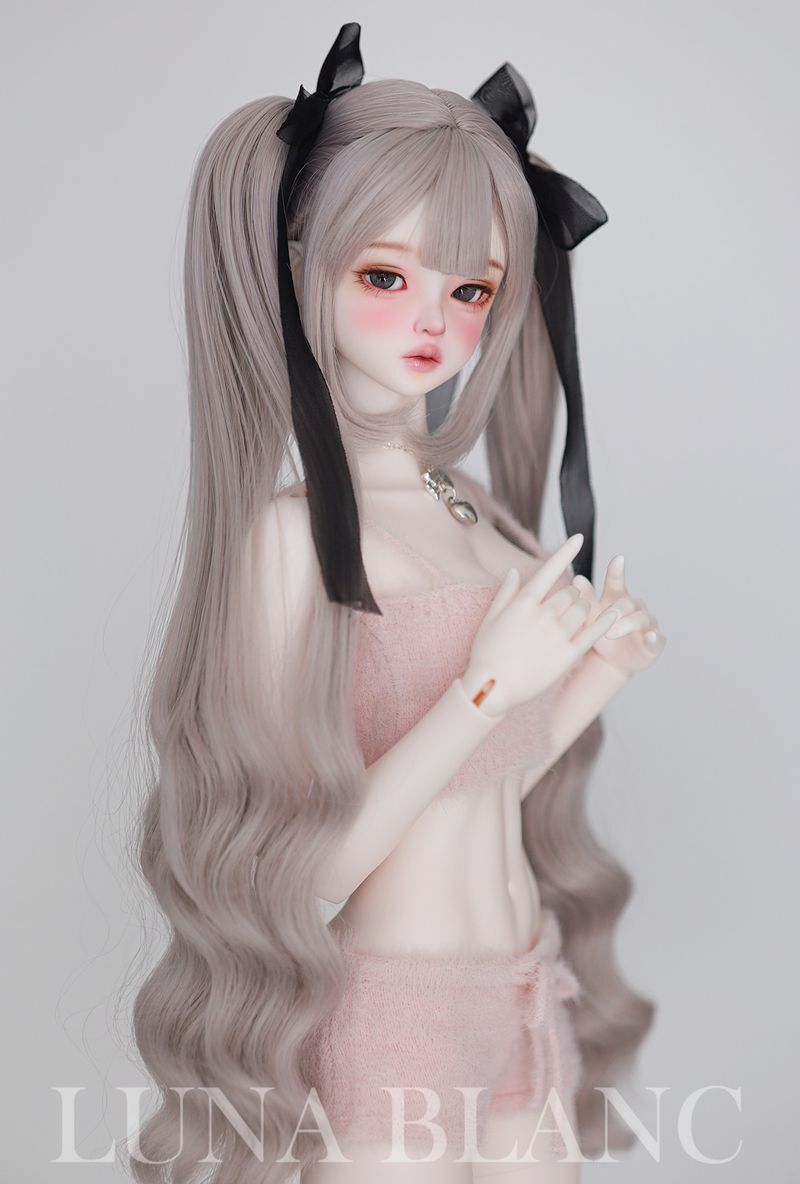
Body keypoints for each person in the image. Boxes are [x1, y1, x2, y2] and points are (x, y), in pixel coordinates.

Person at [127, 23, 665, 1184]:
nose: (432, 319)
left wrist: (591, 675)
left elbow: (489, 776)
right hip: (392, 1011)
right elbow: (313, 868)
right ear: (297, 269)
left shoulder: (473, 509)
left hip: (522, 986)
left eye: (468, 288)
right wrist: (485, 685)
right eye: (385, 275)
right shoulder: (290, 541)